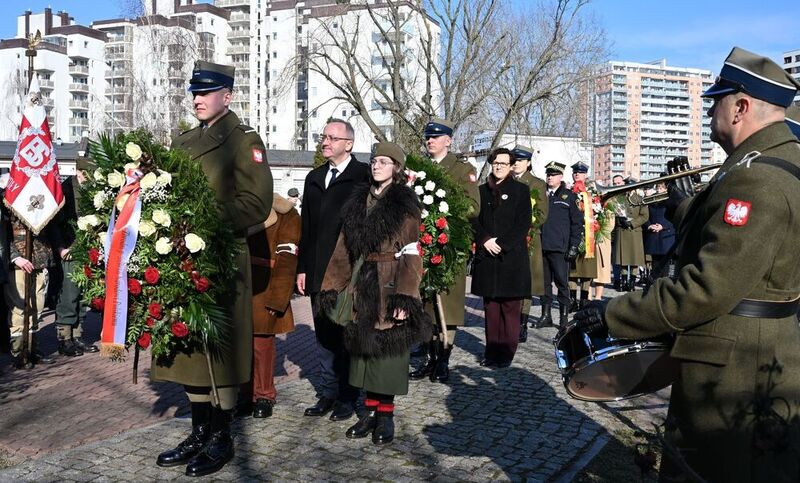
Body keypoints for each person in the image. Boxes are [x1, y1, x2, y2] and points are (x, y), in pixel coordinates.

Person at [575, 47, 800, 481]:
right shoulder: (781, 160)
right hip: (765, 350)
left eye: (716, 100)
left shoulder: (757, 178)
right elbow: (748, 250)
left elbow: (707, 287)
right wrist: (686, 208)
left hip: (734, 366)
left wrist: (615, 313)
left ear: (741, 107)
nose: (709, 110)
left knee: (715, 470)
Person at [153, 61, 273, 477]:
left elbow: (256, 203)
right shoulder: (184, 141)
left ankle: (222, 436)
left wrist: (200, 220)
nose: (198, 99)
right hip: (181, 260)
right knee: (188, 349)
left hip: (220, 258)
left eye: (207, 92)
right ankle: (200, 431)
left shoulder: (243, 141)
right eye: (195, 93)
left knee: (218, 352)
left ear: (228, 95)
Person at [319, 142, 430, 445]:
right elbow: (343, 248)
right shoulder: (358, 202)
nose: (377, 166)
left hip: (389, 283)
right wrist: (332, 284)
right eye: (374, 161)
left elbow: (411, 252)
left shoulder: (404, 205)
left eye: (384, 161)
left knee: (387, 355)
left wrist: (405, 296)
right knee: (363, 354)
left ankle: (385, 416)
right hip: (361, 282)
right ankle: (368, 414)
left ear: (396, 168)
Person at [297, 119, 369, 421]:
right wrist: (302, 269)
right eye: (323, 137)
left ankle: (348, 395)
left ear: (348, 144)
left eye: (332, 137)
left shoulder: (362, 176)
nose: (325, 142)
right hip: (317, 271)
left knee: (345, 334)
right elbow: (307, 227)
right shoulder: (314, 177)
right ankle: (327, 392)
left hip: (347, 272)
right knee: (324, 335)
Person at [409, 118, 478, 383]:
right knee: (425, 306)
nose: (430, 141)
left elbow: (473, 206)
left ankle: (443, 360)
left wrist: (442, 209)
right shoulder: (419, 168)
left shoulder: (462, 169)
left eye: (436, 137)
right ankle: (429, 357)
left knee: (447, 306)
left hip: (450, 245)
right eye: (428, 137)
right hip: (421, 245)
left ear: (448, 140)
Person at [241, 193, 301, 418]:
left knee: (261, 346)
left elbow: (287, 259)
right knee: (242, 347)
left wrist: (279, 297)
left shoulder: (287, 213)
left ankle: (264, 395)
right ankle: (245, 394)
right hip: (239, 286)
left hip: (266, 287)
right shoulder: (238, 208)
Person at [471, 148, 531, 367]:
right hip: (487, 256)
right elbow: (472, 219)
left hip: (511, 257)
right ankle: (491, 352)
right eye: (495, 163)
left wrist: (502, 244)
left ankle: (506, 353)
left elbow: (523, 223)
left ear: (511, 166)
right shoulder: (481, 190)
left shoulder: (521, 190)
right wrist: (485, 239)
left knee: (510, 308)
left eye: (503, 164)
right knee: (491, 308)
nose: (498, 167)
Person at [2, 209, 64, 368]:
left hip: (40, 258)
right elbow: (4, 234)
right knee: (19, 308)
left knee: (37, 306)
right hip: (18, 262)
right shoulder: (7, 199)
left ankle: (31, 349)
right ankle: (19, 352)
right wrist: (15, 257)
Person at [55, 160, 98, 357]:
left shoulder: (94, 190)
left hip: (87, 249)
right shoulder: (65, 190)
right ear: (78, 172)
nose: (88, 178)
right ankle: (65, 338)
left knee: (83, 294)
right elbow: (54, 222)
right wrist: (61, 247)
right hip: (71, 249)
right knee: (69, 294)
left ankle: (78, 336)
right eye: (85, 173)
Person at [535, 162, 581, 328]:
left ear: (561, 177)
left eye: (553, 175)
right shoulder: (541, 195)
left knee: (562, 283)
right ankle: (546, 315)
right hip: (542, 245)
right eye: (548, 174)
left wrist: (574, 246)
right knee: (544, 284)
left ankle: (563, 318)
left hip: (560, 247)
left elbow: (577, 223)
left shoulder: (569, 196)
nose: (550, 177)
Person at [510, 145, 548, 343]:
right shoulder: (504, 181)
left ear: (528, 162)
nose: (516, 163)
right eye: (514, 159)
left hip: (528, 238)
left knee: (525, 283)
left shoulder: (536, 184)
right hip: (507, 240)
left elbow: (542, 213)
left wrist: (525, 225)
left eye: (520, 160)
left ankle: (522, 324)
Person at [567, 161, 597, 311]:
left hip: (589, 236)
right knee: (572, 270)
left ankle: (584, 300)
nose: (577, 174)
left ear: (585, 175)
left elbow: (600, 212)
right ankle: (572, 300)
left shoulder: (593, 192)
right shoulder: (567, 192)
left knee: (587, 270)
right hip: (572, 235)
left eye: (580, 173)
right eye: (575, 172)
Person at [611, 176, 648, 291]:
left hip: (634, 231)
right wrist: (620, 220)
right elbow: (613, 212)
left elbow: (645, 216)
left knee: (634, 259)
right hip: (622, 231)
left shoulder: (640, 199)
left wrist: (632, 223)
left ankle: (631, 282)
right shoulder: (619, 198)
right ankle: (623, 282)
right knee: (623, 259)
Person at [642, 183, 675, 279]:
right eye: (657, 188)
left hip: (666, 236)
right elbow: (644, 214)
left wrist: (663, 226)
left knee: (666, 266)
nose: (658, 190)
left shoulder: (671, 199)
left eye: (661, 188)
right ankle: (654, 285)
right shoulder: (651, 199)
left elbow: (675, 216)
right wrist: (649, 225)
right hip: (654, 236)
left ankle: (664, 286)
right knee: (655, 265)